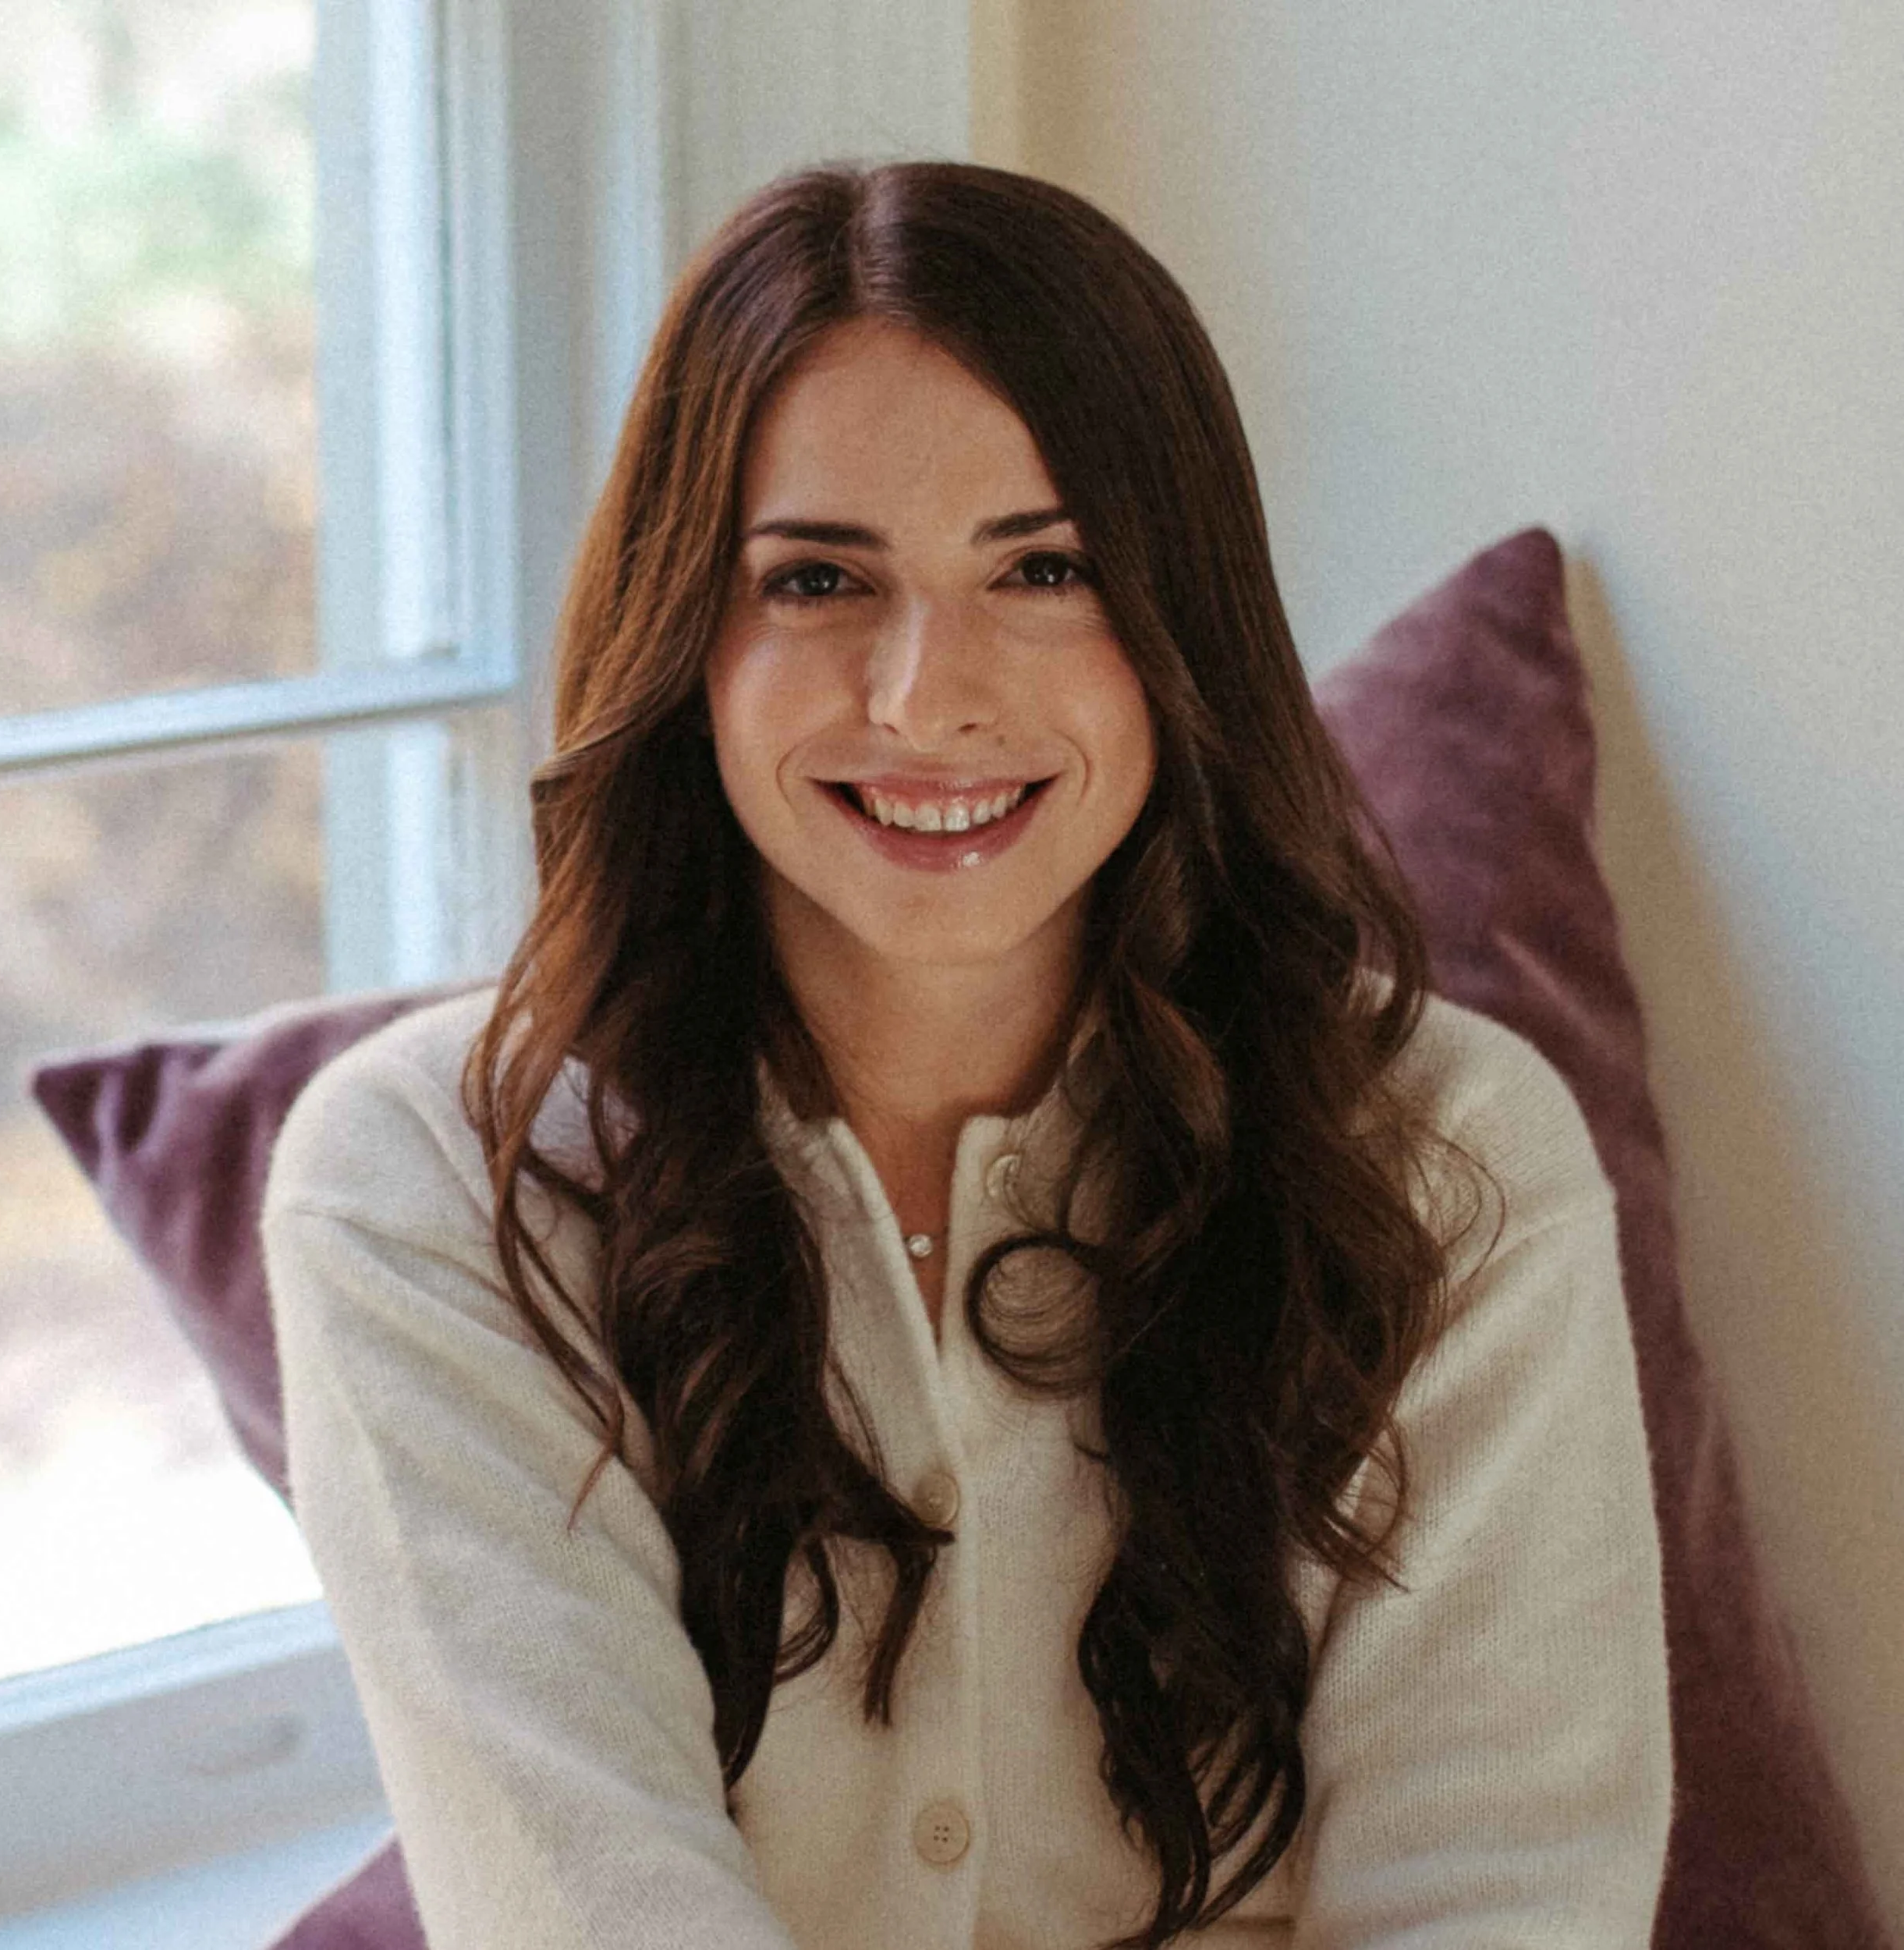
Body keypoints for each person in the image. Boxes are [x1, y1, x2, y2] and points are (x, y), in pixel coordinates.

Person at [264, 161, 1671, 1950]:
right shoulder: (421, 1189)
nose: (925, 692)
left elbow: (1501, 1893)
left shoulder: (1450, 1153)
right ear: (687, 632)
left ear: (1185, 631)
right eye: (819, 575)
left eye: (1047, 566)